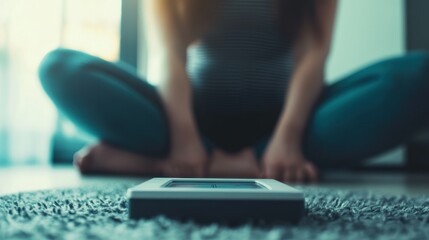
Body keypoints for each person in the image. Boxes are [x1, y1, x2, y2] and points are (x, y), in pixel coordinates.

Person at [39, 0, 429, 183]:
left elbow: (314, 53)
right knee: (59, 68)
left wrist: (287, 139)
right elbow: (168, 56)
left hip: (290, 124)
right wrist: (184, 138)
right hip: (189, 120)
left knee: (420, 75)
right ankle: (230, 164)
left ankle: (161, 165)